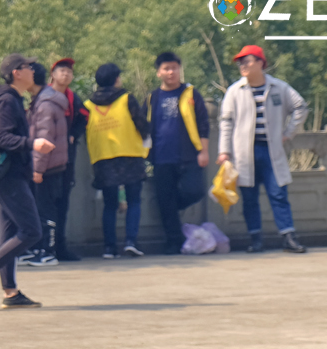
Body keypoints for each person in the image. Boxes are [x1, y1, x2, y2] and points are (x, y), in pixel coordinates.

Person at [0, 54, 50, 309]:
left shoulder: (9, 99)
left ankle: (11, 293)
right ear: (16, 72)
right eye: (28, 66)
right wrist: (32, 143)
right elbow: (0, 137)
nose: (32, 70)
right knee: (31, 231)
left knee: (9, 234)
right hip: (9, 175)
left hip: (8, 174)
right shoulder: (6, 101)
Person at [219, 45, 309, 254]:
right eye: (240, 62)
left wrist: (288, 132)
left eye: (247, 61)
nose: (242, 65)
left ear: (260, 63)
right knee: (249, 197)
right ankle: (256, 239)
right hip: (244, 153)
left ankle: (288, 237)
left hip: (271, 151)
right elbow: (226, 121)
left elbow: (301, 107)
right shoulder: (235, 91)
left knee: (278, 194)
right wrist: (224, 152)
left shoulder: (279, 87)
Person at [146, 52, 211, 254]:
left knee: (195, 191)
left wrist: (204, 151)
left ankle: (176, 209)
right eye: (166, 68)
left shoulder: (191, 94)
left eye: (174, 68)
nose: (171, 72)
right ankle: (174, 242)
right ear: (158, 72)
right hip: (161, 157)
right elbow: (143, 125)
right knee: (165, 202)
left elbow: (203, 123)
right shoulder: (152, 97)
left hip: (188, 155)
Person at [85, 63, 149, 259]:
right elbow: (141, 122)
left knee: (110, 204)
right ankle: (131, 241)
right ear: (116, 79)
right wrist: (147, 140)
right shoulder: (126, 98)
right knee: (134, 200)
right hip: (129, 154)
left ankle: (109, 248)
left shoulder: (89, 105)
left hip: (103, 157)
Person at [24, 61, 69, 267]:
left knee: (45, 209)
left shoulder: (45, 104)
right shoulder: (44, 100)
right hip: (52, 164)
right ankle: (40, 249)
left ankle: (47, 252)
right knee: (43, 208)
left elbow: (44, 138)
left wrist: (38, 169)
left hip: (47, 166)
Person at [50, 58, 88, 261]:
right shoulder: (43, 96)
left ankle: (60, 247)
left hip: (67, 158)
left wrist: (74, 134)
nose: (65, 75)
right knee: (46, 203)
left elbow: (84, 117)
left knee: (63, 202)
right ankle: (43, 247)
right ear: (53, 74)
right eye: (61, 71)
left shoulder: (73, 98)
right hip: (45, 159)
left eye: (69, 72)